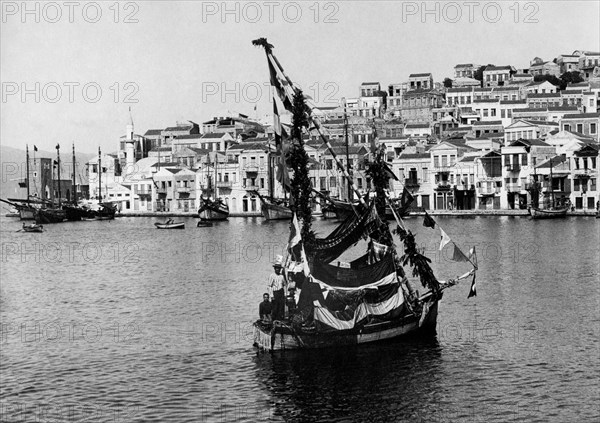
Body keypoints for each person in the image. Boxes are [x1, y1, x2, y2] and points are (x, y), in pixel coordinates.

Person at [268, 255, 286, 321]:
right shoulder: (272, 276)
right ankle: (274, 320)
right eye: (276, 268)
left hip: (281, 292)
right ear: (275, 269)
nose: (278, 269)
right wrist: (271, 295)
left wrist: (285, 294)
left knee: (281, 307)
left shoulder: (282, 276)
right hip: (275, 293)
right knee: (275, 308)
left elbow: (284, 285)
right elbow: (269, 286)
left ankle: (280, 320)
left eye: (279, 268)